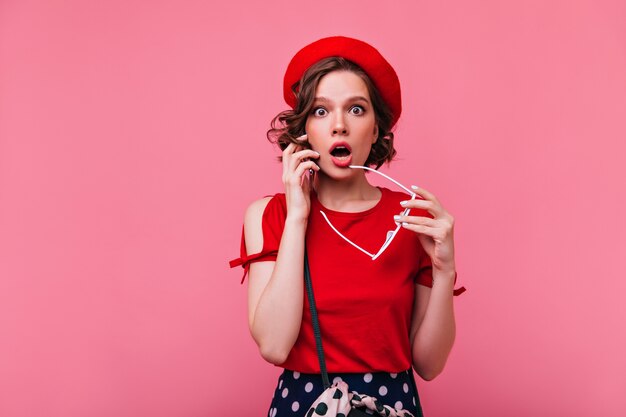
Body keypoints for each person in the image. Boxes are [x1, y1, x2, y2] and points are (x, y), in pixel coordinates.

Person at [229, 36, 466, 417]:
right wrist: (298, 216)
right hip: (302, 404)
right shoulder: (267, 215)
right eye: (321, 112)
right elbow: (273, 345)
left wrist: (445, 270)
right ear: (303, 129)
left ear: (375, 130)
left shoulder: (413, 219)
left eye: (356, 110)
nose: (339, 125)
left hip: (393, 405)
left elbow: (430, 364)